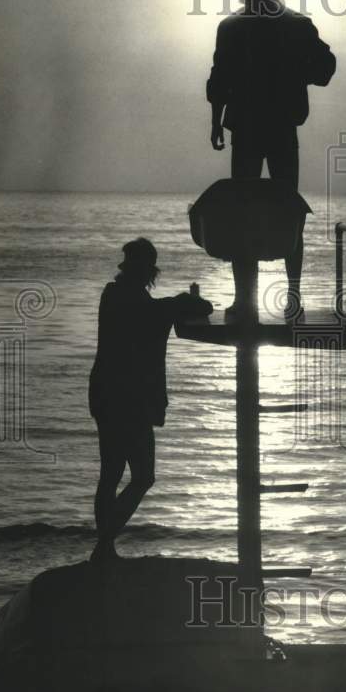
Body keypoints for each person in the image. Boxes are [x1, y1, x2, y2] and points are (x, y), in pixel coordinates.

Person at [206, 0, 336, 320]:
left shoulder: (233, 27)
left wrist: (217, 122)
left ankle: (246, 300)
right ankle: (291, 299)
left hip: (249, 130)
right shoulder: (295, 24)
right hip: (279, 130)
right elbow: (325, 69)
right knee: (288, 212)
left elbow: (219, 81)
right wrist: (297, 67)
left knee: (244, 213)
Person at [88, 238, 213, 561]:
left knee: (111, 474)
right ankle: (104, 542)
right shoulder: (141, 305)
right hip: (129, 400)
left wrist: (177, 302)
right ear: (149, 271)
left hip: (105, 394)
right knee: (143, 476)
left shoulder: (111, 295)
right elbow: (195, 309)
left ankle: (105, 547)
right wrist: (185, 299)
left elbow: (155, 312)